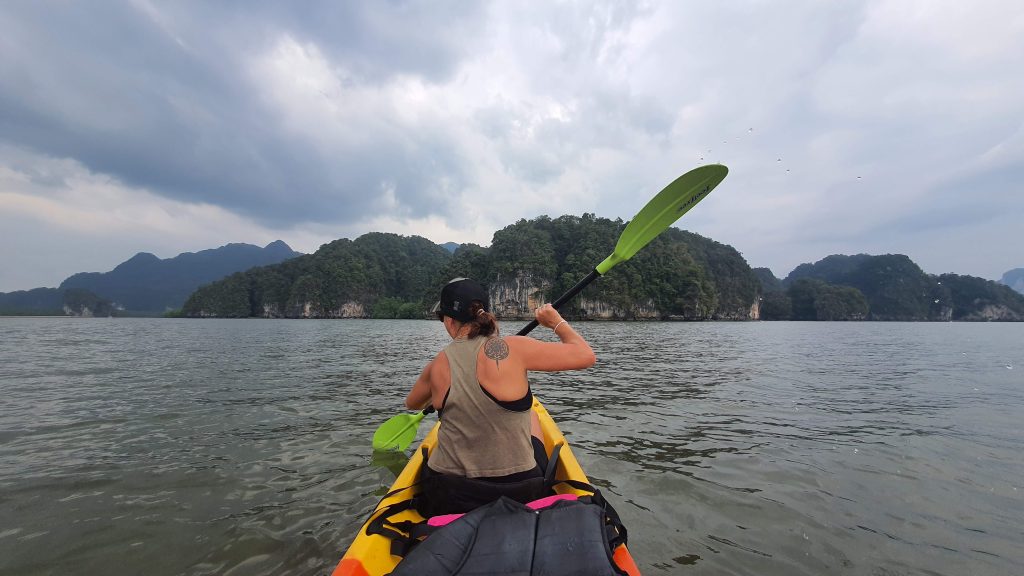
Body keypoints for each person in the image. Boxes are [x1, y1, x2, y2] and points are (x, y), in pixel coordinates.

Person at [405, 278, 596, 516]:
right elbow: (586, 355)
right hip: (519, 491)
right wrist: (555, 322)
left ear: (450, 321)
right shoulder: (514, 347)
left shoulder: (436, 365)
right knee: (532, 414)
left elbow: (412, 403)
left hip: (450, 494)